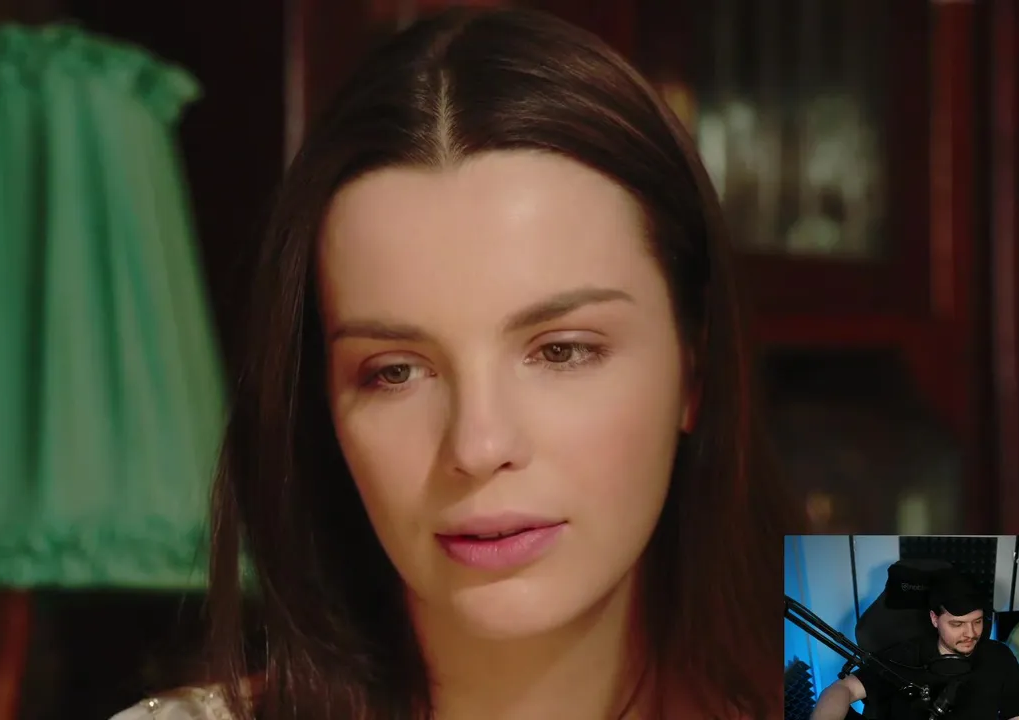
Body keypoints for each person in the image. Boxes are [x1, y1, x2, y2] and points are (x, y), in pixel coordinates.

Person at [113, 6, 796, 719]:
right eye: (396, 371)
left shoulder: (861, 681)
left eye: (561, 350)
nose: (478, 446)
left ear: (694, 368)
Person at [810, 572, 1019, 720]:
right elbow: (843, 690)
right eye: (957, 624)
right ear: (934, 619)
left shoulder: (999, 657)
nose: (971, 633)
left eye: (977, 622)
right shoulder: (904, 657)